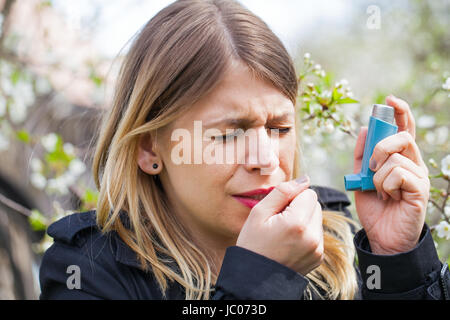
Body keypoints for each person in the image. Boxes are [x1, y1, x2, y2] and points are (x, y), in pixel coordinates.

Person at [39, 0, 449, 300]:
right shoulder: (88, 272)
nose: (266, 159)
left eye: (279, 127)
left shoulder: (334, 251)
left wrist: (398, 262)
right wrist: (262, 281)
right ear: (150, 147)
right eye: (229, 133)